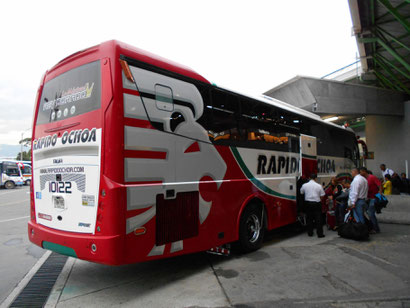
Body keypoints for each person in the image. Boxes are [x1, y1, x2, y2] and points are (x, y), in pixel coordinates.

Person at [300, 173, 325, 238]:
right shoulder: (319, 186)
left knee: (309, 218)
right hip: (317, 203)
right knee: (318, 219)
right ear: (315, 178)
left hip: (308, 203)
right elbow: (322, 195)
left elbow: (301, 192)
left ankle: (310, 233)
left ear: (309, 178)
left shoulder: (304, 185)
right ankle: (320, 234)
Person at [360, 167, 381, 233]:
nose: (360, 173)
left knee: (370, 213)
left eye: (360, 172)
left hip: (374, 198)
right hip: (368, 198)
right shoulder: (364, 179)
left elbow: (379, 185)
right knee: (369, 213)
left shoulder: (372, 177)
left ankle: (375, 228)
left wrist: (379, 194)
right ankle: (372, 227)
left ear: (364, 171)